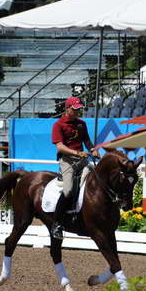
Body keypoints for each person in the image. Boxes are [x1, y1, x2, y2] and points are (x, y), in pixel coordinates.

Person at [51, 96, 99, 239]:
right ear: (67, 109)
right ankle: (57, 224)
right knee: (68, 189)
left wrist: (93, 149)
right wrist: (77, 152)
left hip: (83, 159)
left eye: (79, 109)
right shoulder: (58, 125)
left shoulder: (81, 124)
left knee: (95, 182)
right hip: (67, 160)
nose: (78, 112)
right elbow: (60, 147)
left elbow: (87, 141)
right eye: (75, 109)